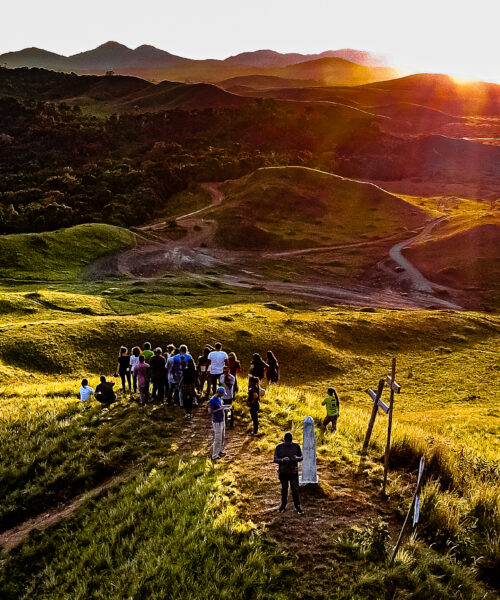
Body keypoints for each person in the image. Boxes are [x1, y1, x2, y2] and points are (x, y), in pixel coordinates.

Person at [273, 432, 304, 514]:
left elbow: (301, 457)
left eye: (289, 443)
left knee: (295, 490)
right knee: (284, 489)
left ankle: (297, 506)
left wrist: (296, 458)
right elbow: (275, 459)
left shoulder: (296, 446)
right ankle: (283, 505)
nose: (288, 444)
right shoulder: (279, 447)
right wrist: (282, 460)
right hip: (283, 472)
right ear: (284, 440)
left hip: (293, 472)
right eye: (287, 442)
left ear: (291, 441)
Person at [209, 387, 229, 460]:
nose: (223, 395)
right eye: (222, 394)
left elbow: (221, 407)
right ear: (219, 392)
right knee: (218, 439)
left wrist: (225, 408)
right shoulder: (212, 400)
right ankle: (214, 455)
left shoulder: (220, 399)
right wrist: (219, 409)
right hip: (217, 421)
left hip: (222, 420)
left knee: (222, 437)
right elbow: (210, 412)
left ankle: (219, 451)